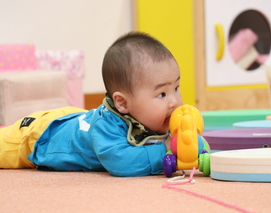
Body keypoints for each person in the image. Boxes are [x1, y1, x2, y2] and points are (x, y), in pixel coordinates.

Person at [0, 31, 183, 177]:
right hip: (39, 136)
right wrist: (166, 150)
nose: (174, 101)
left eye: (176, 88)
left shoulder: (154, 117)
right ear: (122, 103)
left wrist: (189, 143)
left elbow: (186, 144)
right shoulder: (106, 127)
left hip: (73, 118)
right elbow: (121, 162)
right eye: (162, 94)